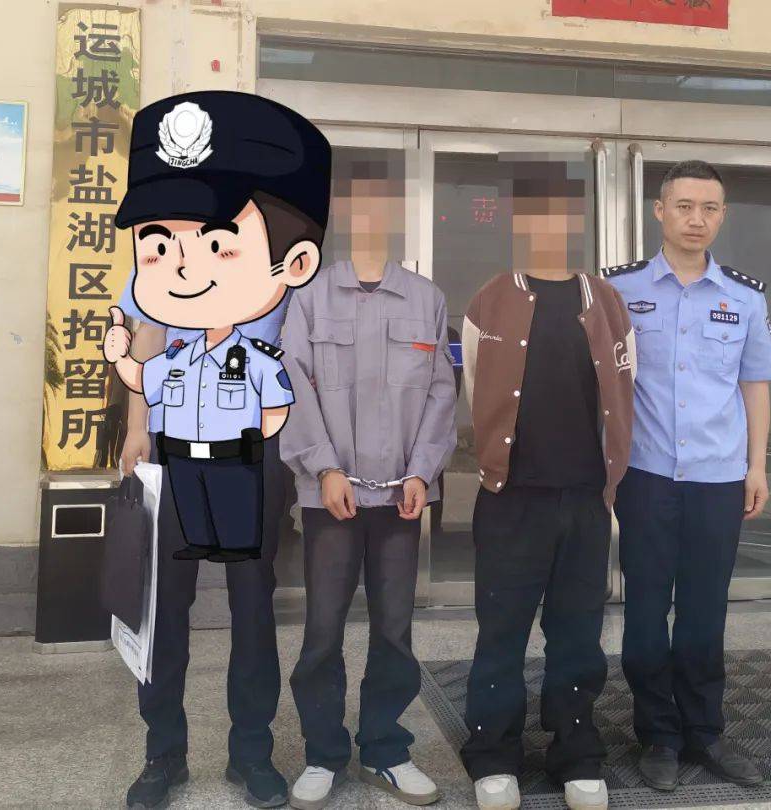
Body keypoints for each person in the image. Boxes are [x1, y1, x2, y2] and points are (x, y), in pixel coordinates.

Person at [103, 90, 331, 809]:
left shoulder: (275, 257)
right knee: (163, 611)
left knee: (251, 609)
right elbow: (145, 335)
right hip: (172, 457)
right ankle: (162, 755)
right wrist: (137, 426)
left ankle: (251, 753)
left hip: (250, 463)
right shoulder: (159, 256)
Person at [279, 162, 457, 809]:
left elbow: (441, 394)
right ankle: (323, 753)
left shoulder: (426, 299)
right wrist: (323, 467)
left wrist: (422, 471)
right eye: (360, 205)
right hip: (330, 494)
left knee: (394, 630)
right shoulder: (310, 298)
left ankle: (385, 748)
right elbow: (291, 386)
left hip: (401, 496)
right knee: (323, 629)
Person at [459, 170, 635, 810]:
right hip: (511, 498)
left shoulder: (607, 301)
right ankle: (493, 754)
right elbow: (475, 387)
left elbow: (624, 388)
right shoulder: (490, 299)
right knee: (500, 630)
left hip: (584, 498)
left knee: (578, 633)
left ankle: (576, 751)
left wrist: (610, 484)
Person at [603, 160, 771, 792]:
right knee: (646, 612)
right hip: (645, 475)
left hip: (718, 478)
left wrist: (756, 465)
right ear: (660, 211)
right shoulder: (617, 290)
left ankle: (705, 732)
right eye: (684, 206)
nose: (696, 219)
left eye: (709, 208)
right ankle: (658, 734)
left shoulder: (744, 297)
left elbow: (754, 385)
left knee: (705, 614)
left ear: (722, 216)